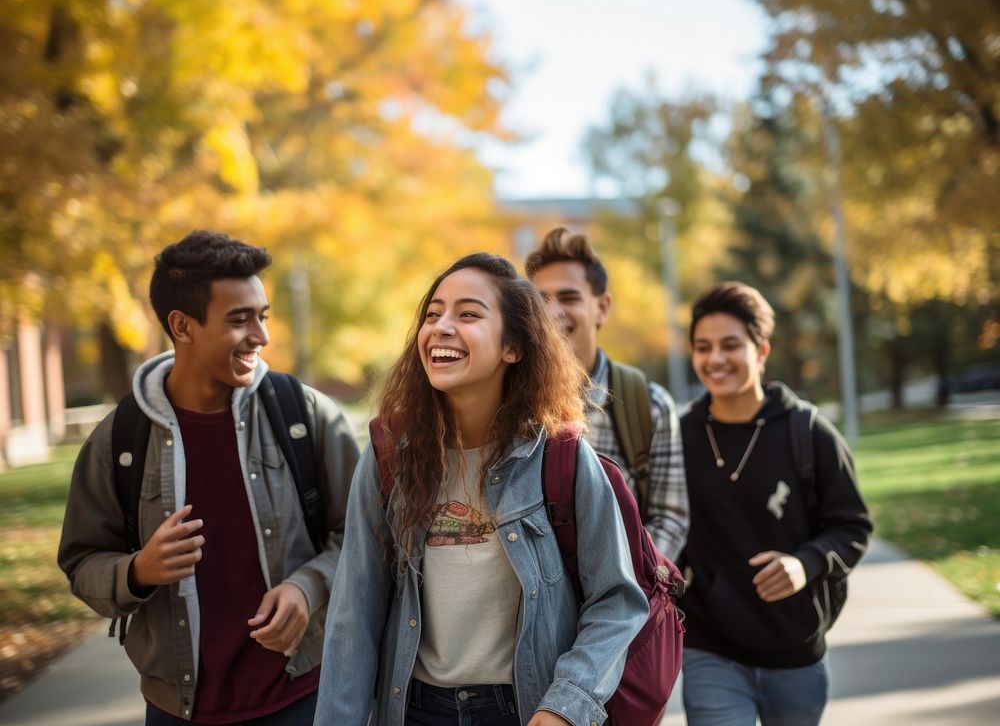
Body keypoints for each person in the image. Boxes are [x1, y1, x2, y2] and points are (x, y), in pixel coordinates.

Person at [313, 252, 648, 726]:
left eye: (468, 314)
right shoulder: (390, 452)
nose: (441, 327)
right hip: (414, 709)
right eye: (433, 314)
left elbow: (617, 601)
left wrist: (565, 707)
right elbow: (353, 613)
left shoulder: (561, 456)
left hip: (525, 709)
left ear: (513, 346)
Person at [58, 230, 361, 726]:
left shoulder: (303, 414)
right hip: (177, 710)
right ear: (182, 326)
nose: (261, 337)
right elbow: (81, 560)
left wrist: (310, 586)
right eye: (239, 320)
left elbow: (364, 531)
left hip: (302, 694)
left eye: (262, 316)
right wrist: (138, 571)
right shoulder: (120, 439)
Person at [678, 281, 873, 726]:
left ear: (761, 350)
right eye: (703, 347)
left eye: (731, 345)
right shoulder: (679, 436)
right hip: (710, 648)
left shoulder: (808, 432)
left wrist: (804, 564)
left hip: (796, 652)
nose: (716, 359)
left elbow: (853, 527)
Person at [524, 226, 689, 561]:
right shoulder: (510, 402)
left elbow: (670, 518)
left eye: (569, 298)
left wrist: (627, 588)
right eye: (541, 300)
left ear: (602, 307)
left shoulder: (649, 404)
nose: (553, 312)